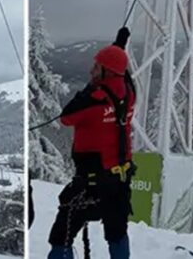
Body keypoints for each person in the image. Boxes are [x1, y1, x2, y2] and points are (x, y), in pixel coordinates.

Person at [47, 37, 135, 259]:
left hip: (91, 183)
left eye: (96, 67)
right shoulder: (129, 93)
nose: (91, 70)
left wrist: (90, 87)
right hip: (119, 181)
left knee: (61, 235)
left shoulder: (94, 99)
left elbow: (66, 117)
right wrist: (118, 47)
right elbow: (122, 74)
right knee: (117, 233)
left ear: (106, 72)